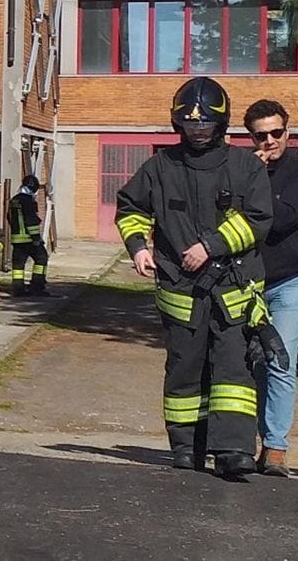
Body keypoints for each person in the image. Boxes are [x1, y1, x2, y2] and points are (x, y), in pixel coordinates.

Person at [115, 77, 276, 479]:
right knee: (185, 368)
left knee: (233, 372)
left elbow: (258, 219)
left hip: (233, 288)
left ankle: (234, 451)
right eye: (190, 125)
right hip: (180, 289)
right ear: (178, 125)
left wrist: (212, 245)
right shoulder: (159, 167)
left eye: (205, 124)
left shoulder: (246, 166)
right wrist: (138, 246)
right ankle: (186, 447)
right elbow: (130, 207)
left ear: (220, 125)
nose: (198, 131)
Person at [244, 99, 298, 477]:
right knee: (253, 365)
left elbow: (282, 220)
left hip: (294, 281)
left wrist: (250, 202)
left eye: (277, 132)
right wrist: (250, 179)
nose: (270, 140)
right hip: (249, 285)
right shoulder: (242, 171)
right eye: (262, 135)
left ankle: (275, 449)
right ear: (251, 137)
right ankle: (251, 443)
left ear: (287, 132)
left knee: (279, 360)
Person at [8, 175, 50, 296]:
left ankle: (18, 288)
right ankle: (37, 286)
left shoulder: (14, 200)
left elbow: (9, 217)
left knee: (18, 265)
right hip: (28, 239)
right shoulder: (28, 201)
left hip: (17, 239)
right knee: (41, 258)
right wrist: (36, 238)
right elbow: (31, 221)